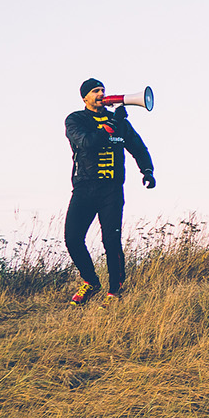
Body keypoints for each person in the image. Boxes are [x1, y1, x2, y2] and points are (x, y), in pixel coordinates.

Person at [63, 78, 156, 303]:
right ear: (84, 97)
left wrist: (147, 170)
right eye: (95, 91)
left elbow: (138, 147)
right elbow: (86, 142)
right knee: (72, 238)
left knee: (111, 241)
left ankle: (115, 291)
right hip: (84, 187)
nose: (101, 93)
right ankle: (90, 281)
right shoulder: (75, 119)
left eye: (102, 90)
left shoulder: (118, 121)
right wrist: (109, 127)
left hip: (111, 189)